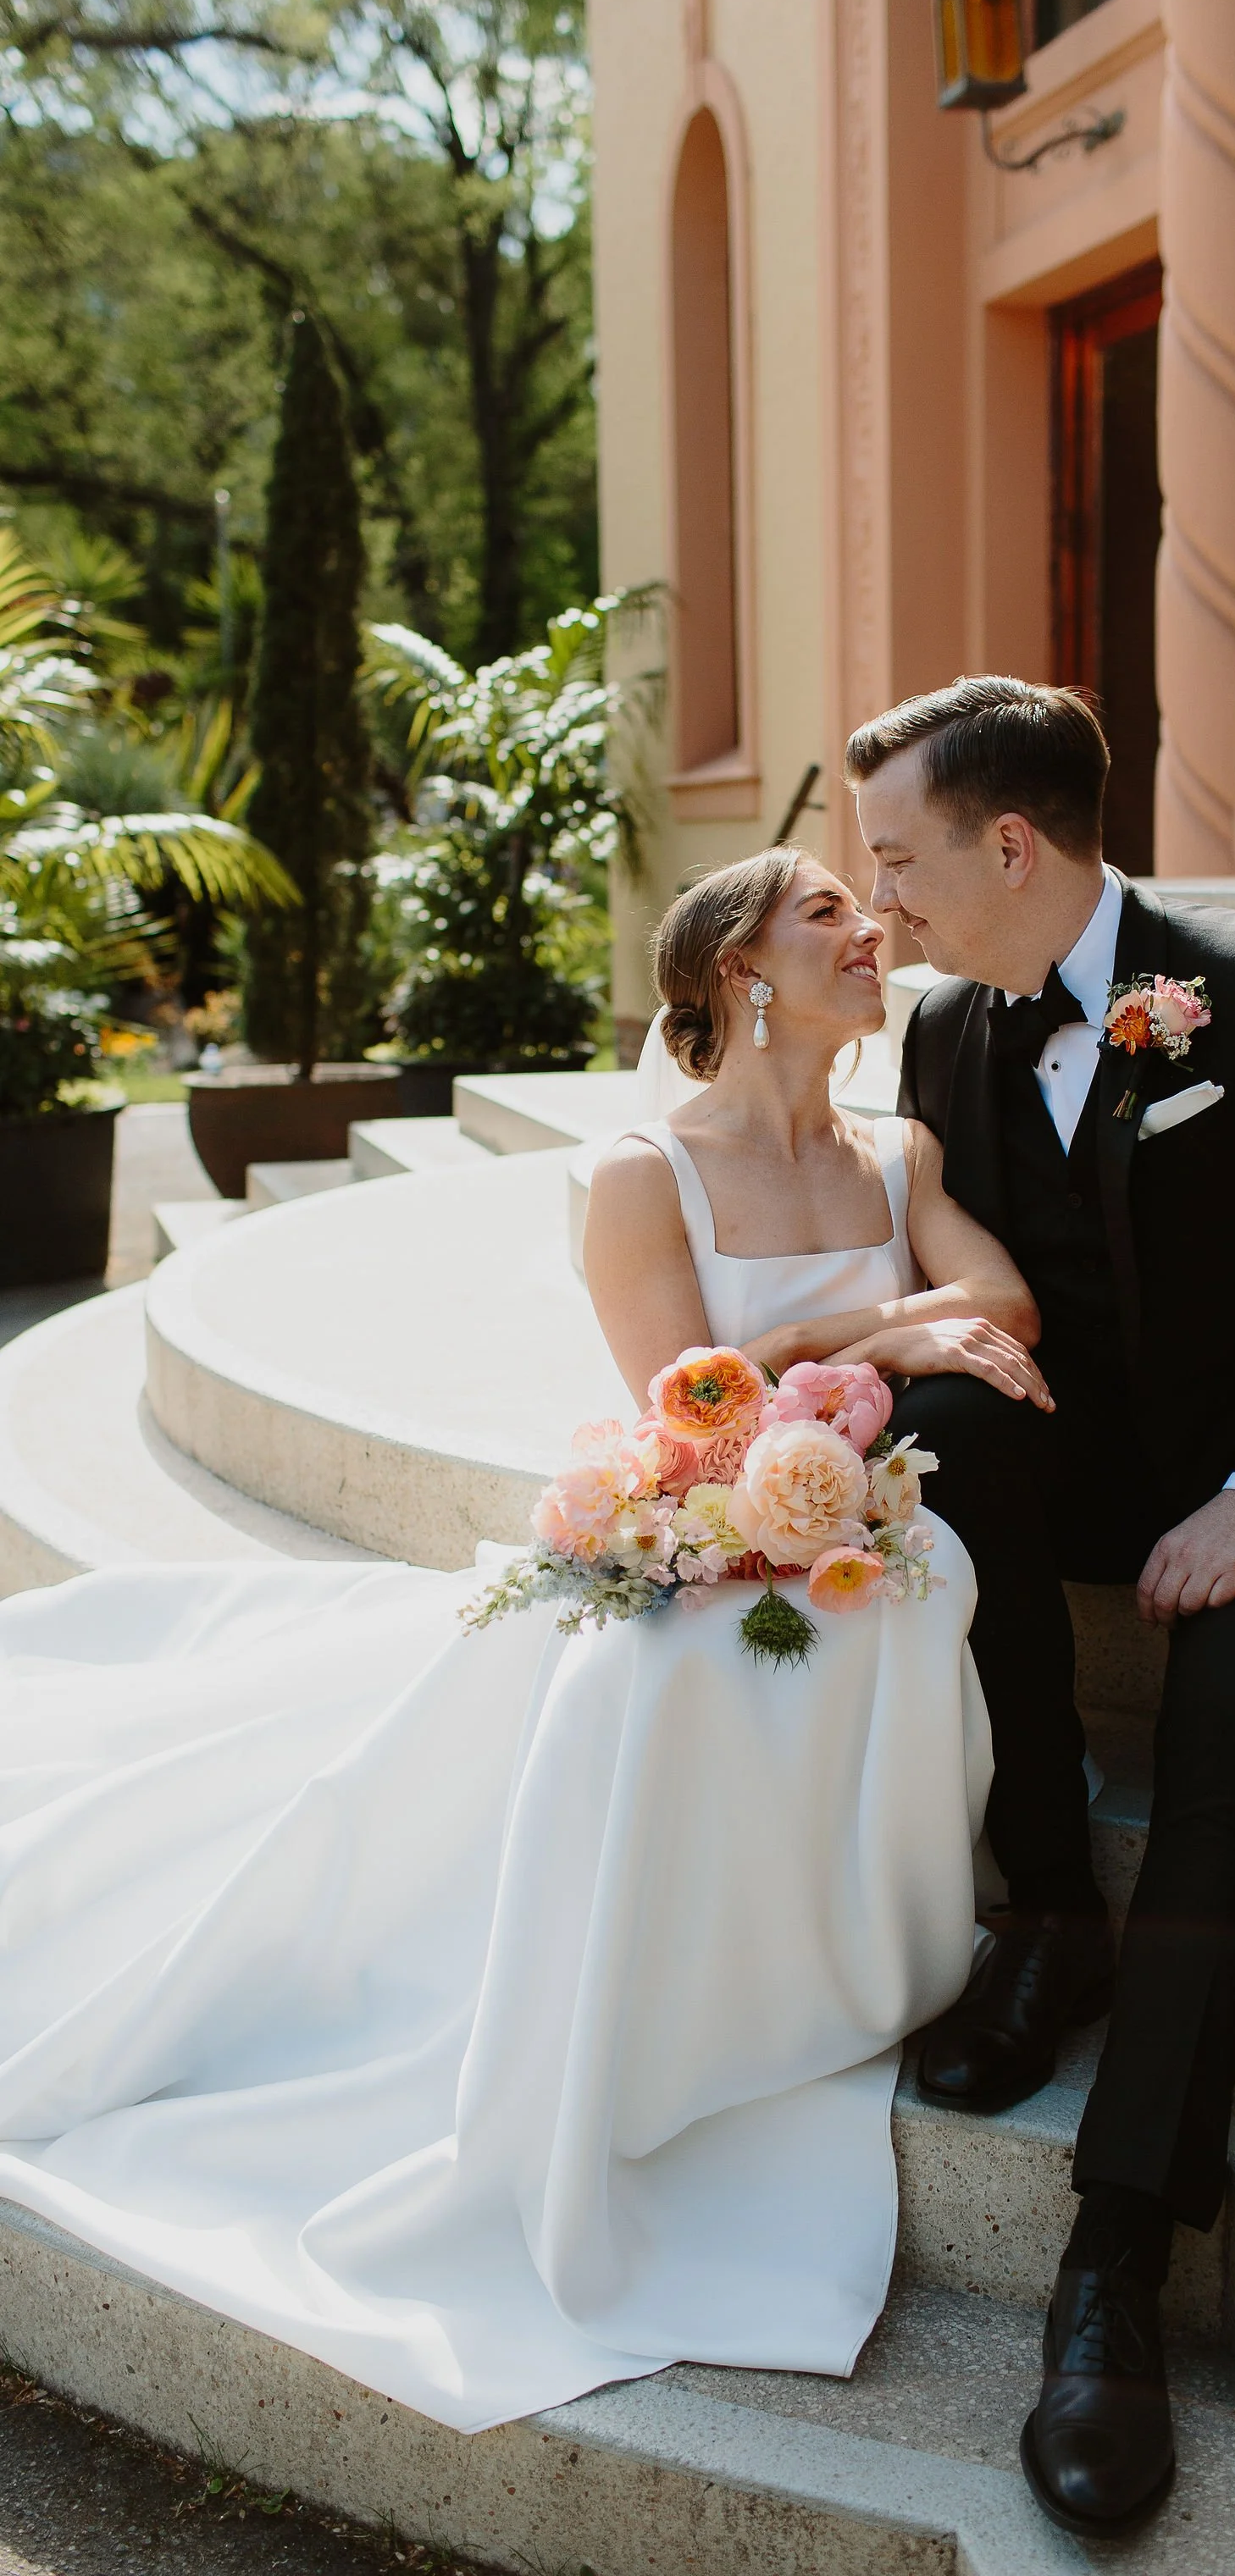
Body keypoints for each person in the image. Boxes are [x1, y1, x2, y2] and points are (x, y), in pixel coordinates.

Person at [0, 846, 1042, 2438]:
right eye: (829, 908)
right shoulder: (647, 1174)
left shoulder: (901, 1150)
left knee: (900, 1611)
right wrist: (863, 1329)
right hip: (703, 1518)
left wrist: (872, 1344)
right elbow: (687, 1397)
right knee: (670, 1677)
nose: (872, 928)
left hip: (857, 1525)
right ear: (739, 968)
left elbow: (1007, 1305)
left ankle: (847, 1958)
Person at [849, 677, 1235, 2540]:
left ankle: (1114, 2265)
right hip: (1097, 1468)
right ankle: (1049, 1908)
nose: (877, 907)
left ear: (1010, 843)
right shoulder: (947, 1029)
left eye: (897, 861)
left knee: (1220, 1739)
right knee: (938, 1439)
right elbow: (947, 1278)